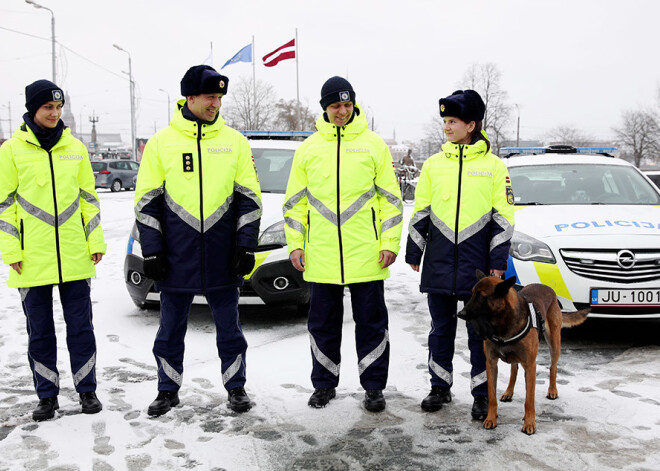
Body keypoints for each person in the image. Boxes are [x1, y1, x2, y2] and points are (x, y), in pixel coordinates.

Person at [134, 65, 261, 416]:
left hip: (222, 255)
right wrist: (154, 251)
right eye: (209, 97)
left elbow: (249, 198)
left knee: (230, 329)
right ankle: (167, 390)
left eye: (219, 97)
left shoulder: (235, 142)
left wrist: (245, 244)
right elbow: (147, 202)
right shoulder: (161, 143)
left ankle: (236, 388)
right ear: (189, 97)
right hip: (176, 256)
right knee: (170, 330)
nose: (215, 104)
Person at [283, 76, 403, 412]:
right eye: (336, 105)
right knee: (322, 325)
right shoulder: (308, 149)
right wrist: (295, 244)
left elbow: (391, 200)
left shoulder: (374, 145)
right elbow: (295, 203)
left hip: (367, 253)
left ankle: (374, 387)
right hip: (320, 255)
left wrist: (389, 242)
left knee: (372, 324)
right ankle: (324, 385)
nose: (343, 111)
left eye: (348, 105)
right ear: (324, 107)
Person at [405, 89, 515, 421]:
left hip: (477, 272)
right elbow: (421, 210)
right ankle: (440, 387)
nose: (447, 127)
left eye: (452, 121)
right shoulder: (433, 165)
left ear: (471, 124)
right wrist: (414, 249)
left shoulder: (495, 167)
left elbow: (504, 219)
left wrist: (497, 264)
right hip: (438, 263)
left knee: (480, 334)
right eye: (445, 121)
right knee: (440, 331)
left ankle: (482, 394)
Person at [0, 79, 106, 421]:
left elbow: (89, 199)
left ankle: (86, 391)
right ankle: (47, 396)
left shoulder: (75, 147)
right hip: (31, 259)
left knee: (81, 327)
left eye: (58, 108)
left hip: (76, 255)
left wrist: (95, 242)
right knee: (40, 331)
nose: (54, 113)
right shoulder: (11, 150)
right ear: (33, 109)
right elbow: (4, 204)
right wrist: (11, 249)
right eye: (48, 107)